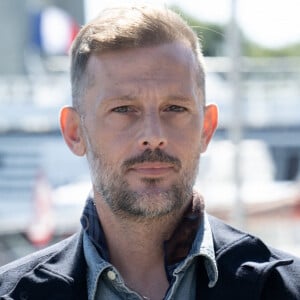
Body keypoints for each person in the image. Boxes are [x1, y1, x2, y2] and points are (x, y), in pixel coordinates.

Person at [0, 4, 299, 300]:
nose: (153, 136)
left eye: (175, 108)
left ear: (206, 128)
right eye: (124, 109)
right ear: (75, 132)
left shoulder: (285, 288)